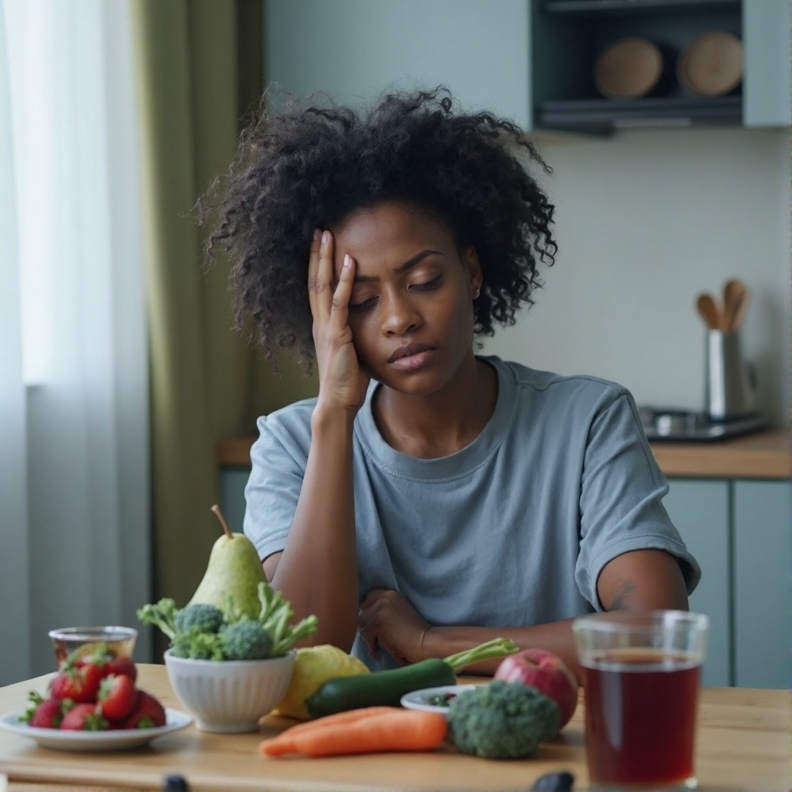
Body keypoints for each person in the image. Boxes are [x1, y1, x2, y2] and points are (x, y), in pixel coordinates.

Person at [206, 87, 700, 679]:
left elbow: (652, 631)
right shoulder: (293, 444)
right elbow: (302, 648)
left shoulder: (586, 420)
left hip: (553, 751)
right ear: (325, 318)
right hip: (372, 764)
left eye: (423, 280)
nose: (398, 318)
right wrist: (335, 413)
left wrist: (433, 642)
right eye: (362, 301)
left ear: (470, 271)